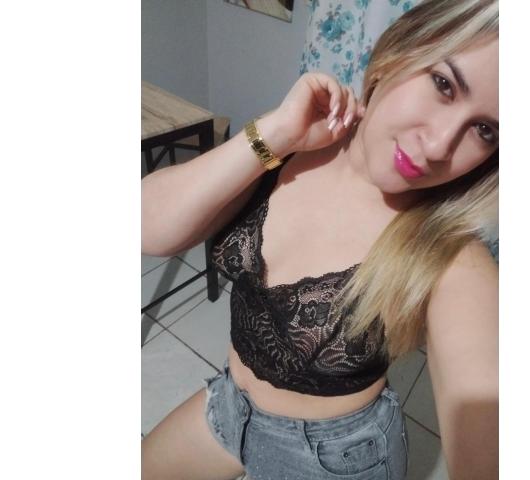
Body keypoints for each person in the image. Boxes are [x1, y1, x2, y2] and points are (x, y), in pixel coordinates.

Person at [141, 0, 498, 478]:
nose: (437, 146)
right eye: (444, 85)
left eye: (485, 130)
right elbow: (147, 227)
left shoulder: (453, 254)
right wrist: (274, 134)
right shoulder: (292, 144)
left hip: (335, 459)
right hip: (229, 405)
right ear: (400, 51)